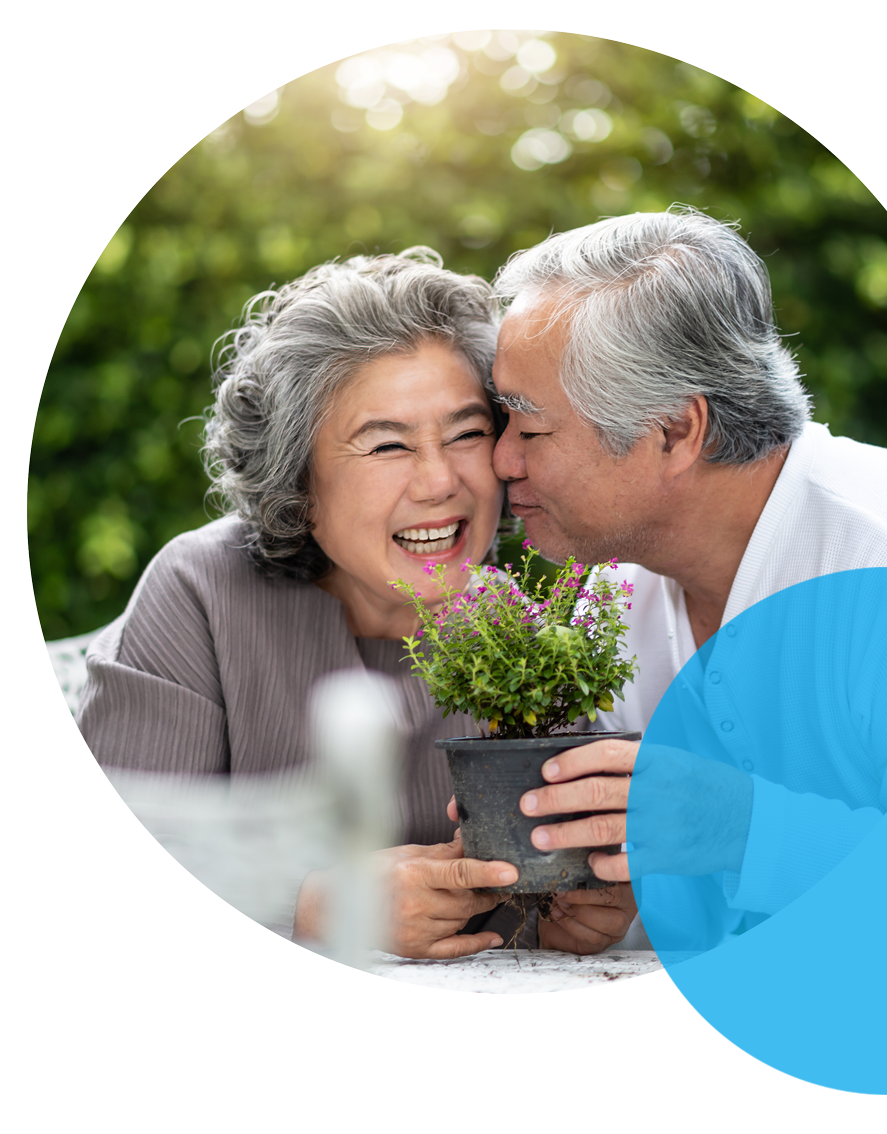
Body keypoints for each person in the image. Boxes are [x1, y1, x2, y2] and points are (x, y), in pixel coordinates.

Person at [76, 248, 637, 957]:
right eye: (385, 446)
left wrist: (579, 913)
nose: (440, 482)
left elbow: (559, 892)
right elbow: (100, 888)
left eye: (467, 433)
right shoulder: (202, 592)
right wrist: (309, 907)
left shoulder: (521, 636)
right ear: (297, 481)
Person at [478, 206, 887, 949]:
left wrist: (740, 826)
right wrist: (612, 899)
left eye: (530, 430)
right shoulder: (613, 595)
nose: (501, 462)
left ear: (674, 431)